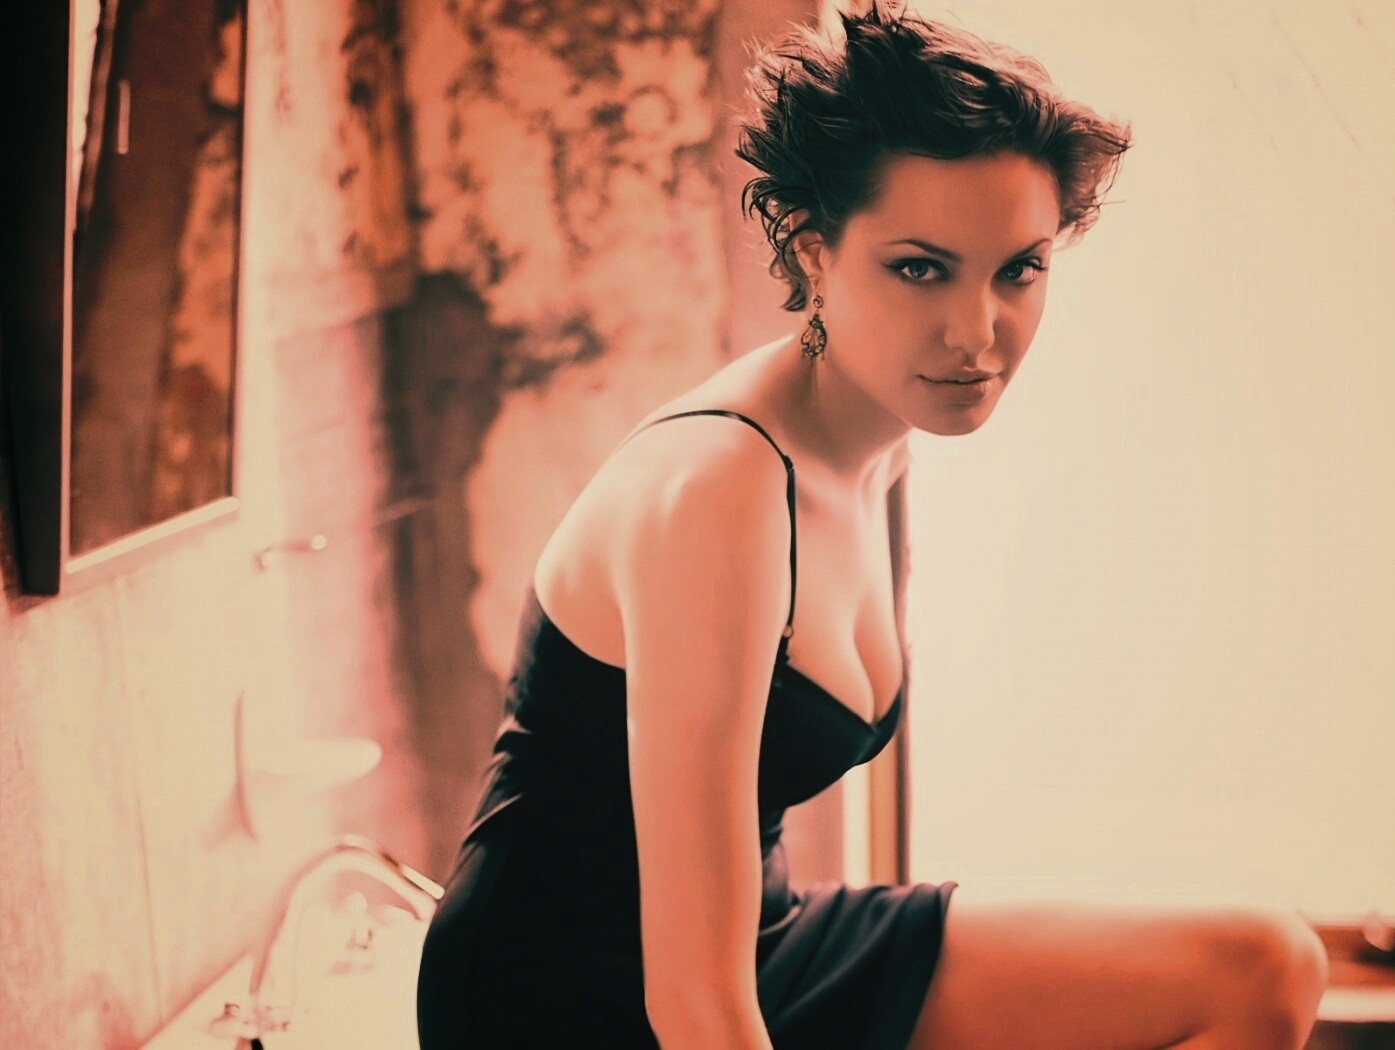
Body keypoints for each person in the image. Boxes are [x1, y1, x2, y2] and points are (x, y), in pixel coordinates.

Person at [416, 3, 1329, 1047]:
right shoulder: (718, 490)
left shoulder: (879, 440)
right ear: (814, 253)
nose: (976, 334)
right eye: (920, 268)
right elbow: (693, 1003)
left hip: (762, 942)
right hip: (569, 1001)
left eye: (1019, 269)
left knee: (1263, 969)